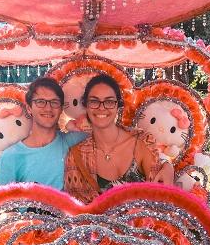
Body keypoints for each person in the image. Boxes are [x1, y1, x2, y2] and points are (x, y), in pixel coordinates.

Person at [64, 74, 173, 203]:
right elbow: (75, 208)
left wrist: (168, 166)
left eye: (109, 101)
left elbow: (159, 197)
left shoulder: (142, 141)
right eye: (94, 101)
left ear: (118, 105)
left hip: (146, 221)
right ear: (86, 106)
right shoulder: (76, 156)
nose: (102, 107)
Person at [0, 77, 86, 189]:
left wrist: (77, 125)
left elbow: (103, 132)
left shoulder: (72, 141)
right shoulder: (10, 157)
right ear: (29, 108)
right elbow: (3, 204)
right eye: (40, 102)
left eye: (54, 102)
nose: (48, 108)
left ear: (61, 109)